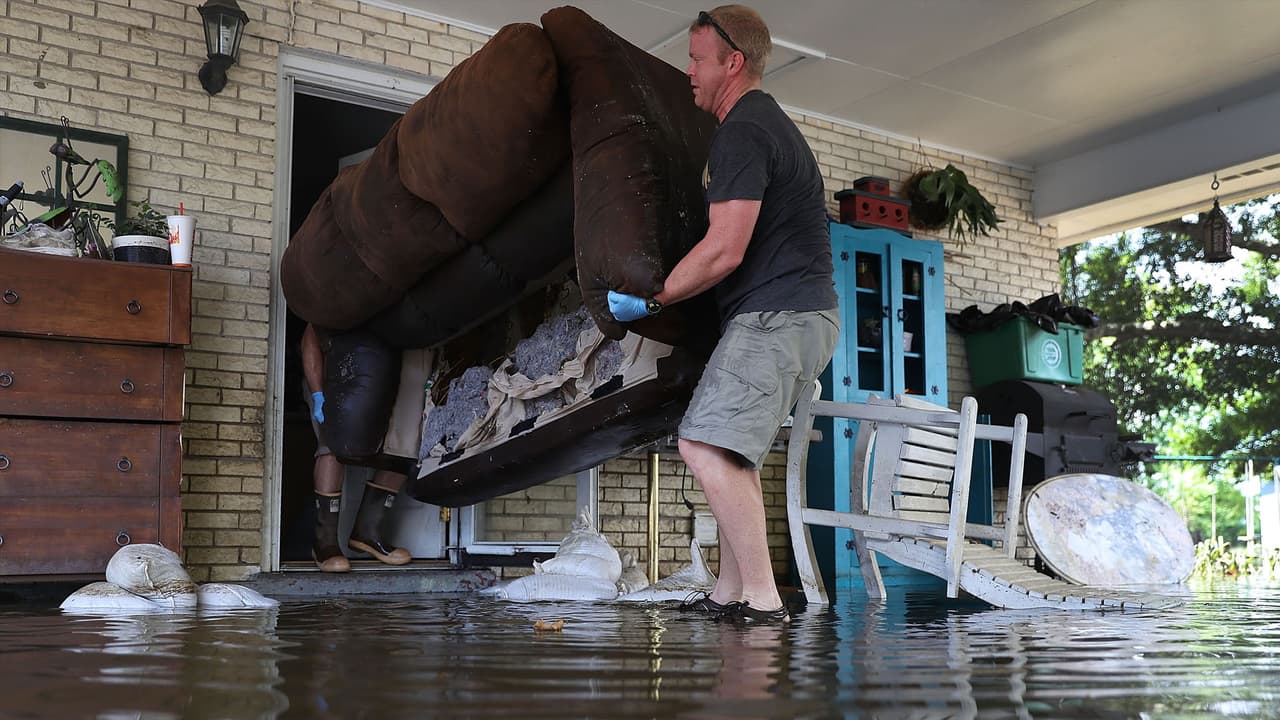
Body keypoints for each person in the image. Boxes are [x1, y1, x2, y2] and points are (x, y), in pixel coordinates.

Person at [608, 5, 839, 624]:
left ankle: (763, 603)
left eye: (696, 59)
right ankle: (728, 596)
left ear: (732, 63)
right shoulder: (765, 126)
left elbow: (723, 248)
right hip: (801, 317)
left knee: (702, 447)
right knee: (733, 456)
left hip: (778, 315)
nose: (688, 71)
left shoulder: (744, 129)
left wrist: (654, 298)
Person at [302, 323, 412, 572]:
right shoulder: (338, 292)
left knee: (404, 446)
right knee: (331, 446)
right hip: (335, 372)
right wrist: (318, 393)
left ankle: (367, 531)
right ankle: (325, 543)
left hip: (385, 369)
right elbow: (311, 336)